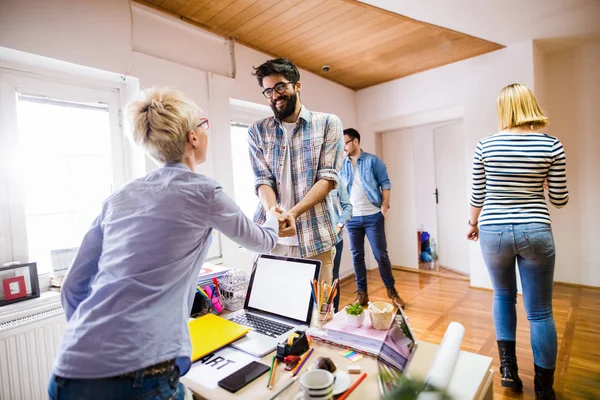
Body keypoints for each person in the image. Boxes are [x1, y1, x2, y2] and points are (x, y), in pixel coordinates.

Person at [48, 88, 280, 400]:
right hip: (140, 373)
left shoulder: (117, 198)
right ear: (192, 137)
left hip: (70, 368)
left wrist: (98, 343)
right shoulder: (204, 192)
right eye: (204, 125)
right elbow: (262, 241)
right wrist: (274, 216)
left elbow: (72, 288)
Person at [467, 83, 568, 400]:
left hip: (493, 230)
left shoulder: (485, 145)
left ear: (504, 110)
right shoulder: (551, 145)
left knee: (503, 295)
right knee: (540, 312)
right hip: (535, 230)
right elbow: (560, 199)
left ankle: (508, 372)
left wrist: (472, 224)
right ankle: (544, 389)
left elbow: (477, 195)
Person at [248, 57, 343, 284]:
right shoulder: (257, 130)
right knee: (270, 311)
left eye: (280, 86)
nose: (275, 95)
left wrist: (293, 213)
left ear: (297, 85)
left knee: (318, 314)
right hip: (271, 239)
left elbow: (327, 178)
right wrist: (274, 214)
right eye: (268, 91)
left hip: (316, 237)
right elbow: (262, 180)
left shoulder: (329, 123)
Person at [341, 128, 406, 310]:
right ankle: (362, 295)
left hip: (372, 216)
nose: (343, 147)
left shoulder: (373, 160)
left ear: (355, 141)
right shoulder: (342, 164)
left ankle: (392, 292)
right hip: (352, 219)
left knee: (381, 255)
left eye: (345, 142)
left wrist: (384, 207)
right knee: (357, 256)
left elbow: (385, 183)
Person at [330, 179, 352, 312]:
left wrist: (340, 223)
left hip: (335, 239)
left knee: (333, 279)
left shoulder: (338, 179)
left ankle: (334, 315)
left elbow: (348, 207)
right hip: (312, 241)